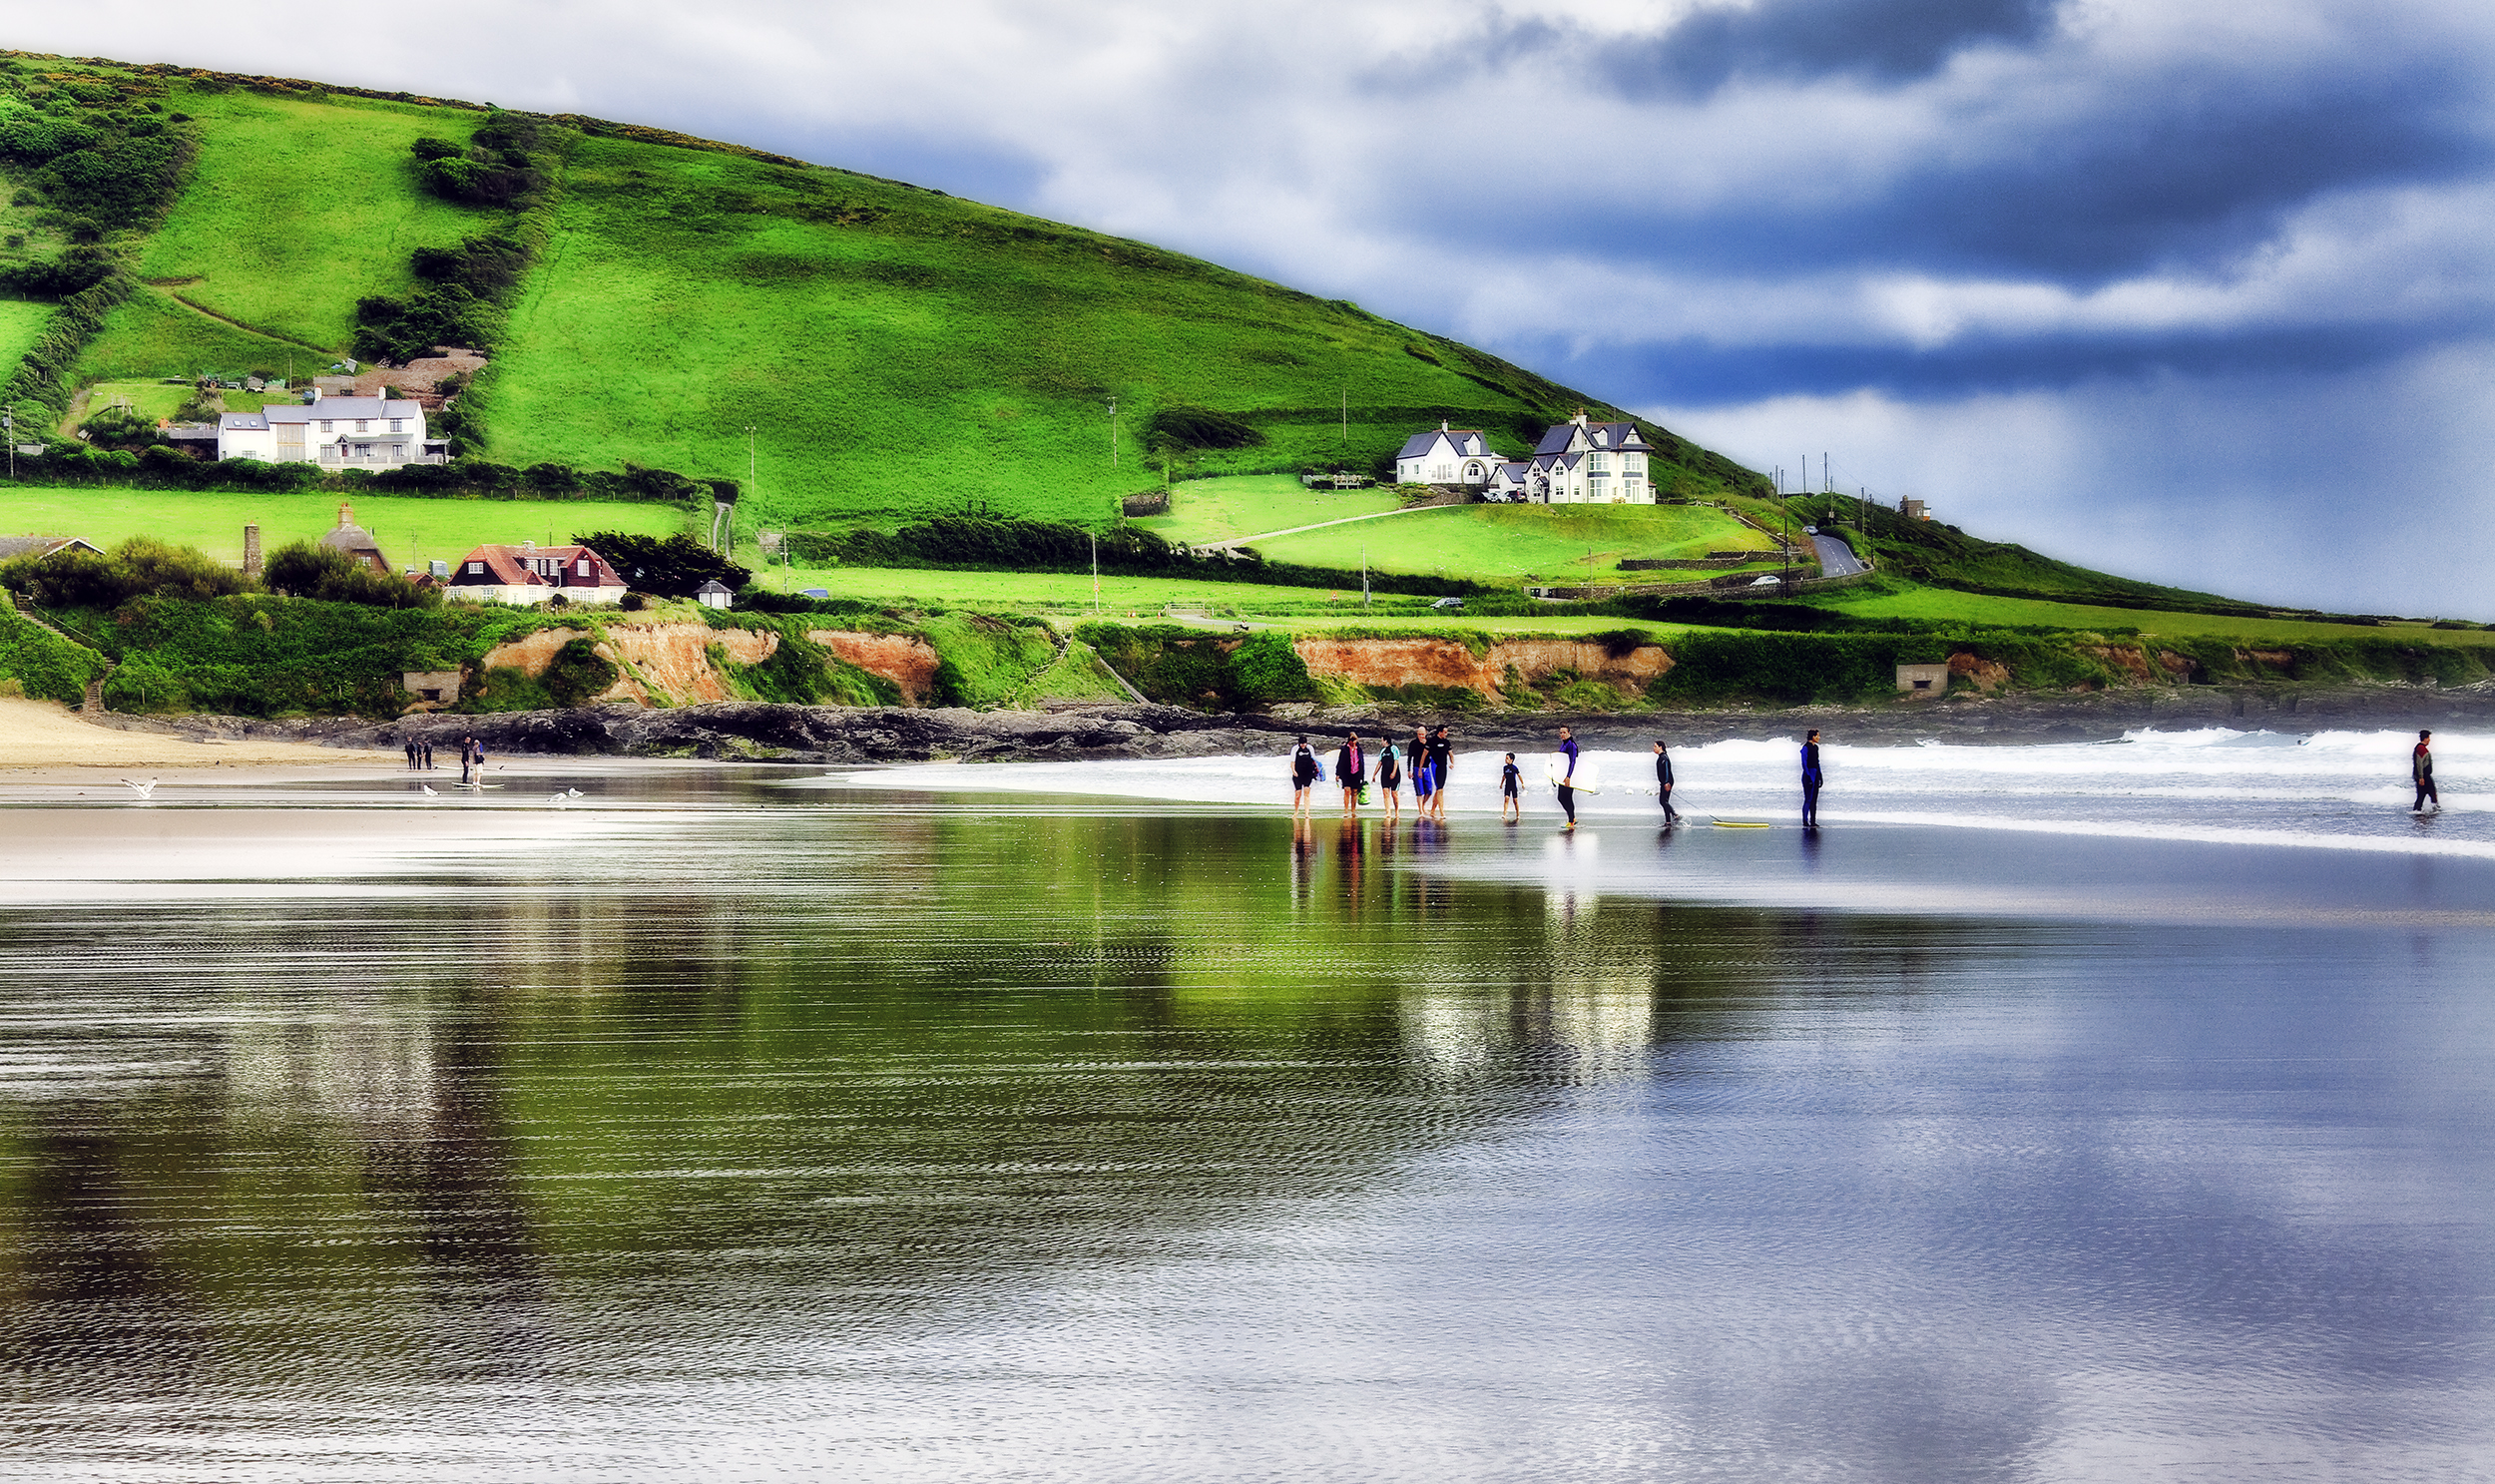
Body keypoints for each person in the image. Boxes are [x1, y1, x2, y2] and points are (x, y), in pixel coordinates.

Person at [1554, 725, 1581, 829]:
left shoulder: (1572, 745)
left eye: (1564, 732)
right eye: (1560, 733)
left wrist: (1569, 776)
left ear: (1569, 733)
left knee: (1567, 798)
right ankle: (1572, 818)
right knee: (1561, 798)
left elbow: (1572, 762)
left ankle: (1571, 821)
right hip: (1562, 776)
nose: (1562, 735)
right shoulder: (1564, 744)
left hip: (1569, 776)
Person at [1334, 731, 1366, 815]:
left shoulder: (1359, 749)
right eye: (1352, 740)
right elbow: (1340, 761)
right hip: (1346, 772)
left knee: (1354, 792)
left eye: (1355, 740)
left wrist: (1362, 775)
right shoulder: (1344, 749)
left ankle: (1353, 811)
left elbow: (1362, 762)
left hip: (1357, 772)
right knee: (1347, 791)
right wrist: (1337, 773)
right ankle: (1346, 811)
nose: (1354, 742)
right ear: (1349, 740)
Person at [1428, 726, 1454, 820]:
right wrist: (1420, 768)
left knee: (1440, 789)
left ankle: (1432, 810)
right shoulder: (1432, 741)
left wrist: (1452, 763)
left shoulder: (1446, 742)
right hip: (1435, 766)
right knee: (1439, 789)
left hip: (1443, 767)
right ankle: (1442, 812)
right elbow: (1425, 754)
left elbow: (1451, 754)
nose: (1446, 734)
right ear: (1440, 732)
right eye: (1445, 732)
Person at [1289, 736, 1320, 814]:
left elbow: (1314, 759)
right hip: (1298, 774)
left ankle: (1307, 813)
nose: (1303, 745)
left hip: (1308, 773)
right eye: (1301, 744)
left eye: (1304, 744)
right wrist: (1293, 771)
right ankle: (1296, 811)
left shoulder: (1310, 748)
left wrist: (1317, 770)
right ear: (1299, 743)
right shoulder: (1295, 748)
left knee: (1307, 793)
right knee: (1298, 794)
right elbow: (1292, 761)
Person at [1409, 725, 1435, 813]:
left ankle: (1423, 806)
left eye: (1422, 734)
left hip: (1426, 768)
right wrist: (1409, 770)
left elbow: (1433, 754)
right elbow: (1410, 757)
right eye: (1419, 734)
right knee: (1419, 791)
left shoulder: (1429, 742)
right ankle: (1421, 811)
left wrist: (1426, 745)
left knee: (1429, 790)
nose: (1421, 736)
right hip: (1416, 768)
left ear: (1426, 733)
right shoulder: (1413, 743)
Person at [1800, 729, 1823, 827]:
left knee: (1814, 800)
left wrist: (1820, 776)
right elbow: (1804, 763)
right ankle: (1805, 821)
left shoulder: (1816, 748)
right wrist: (1809, 776)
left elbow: (1817, 762)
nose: (1819, 737)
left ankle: (1813, 821)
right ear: (1813, 737)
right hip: (1808, 775)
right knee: (1808, 799)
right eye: (1818, 736)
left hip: (1815, 774)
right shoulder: (1806, 747)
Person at [1376, 738, 1404, 821]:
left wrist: (1394, 772)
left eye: (1382, 740)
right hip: (1384, 774)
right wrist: (1374, 774)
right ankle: (1388, 812)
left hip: (1395, 774)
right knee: (1385, 793)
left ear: (1386, 741)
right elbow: (1380, 763)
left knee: (1394, 794)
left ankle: (1396, 811)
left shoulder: (1394, 748)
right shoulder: (1383, 751)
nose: (1381, 742)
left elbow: (1396, 761)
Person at [1654, 740, 1681, 823]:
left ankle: (1675, 815)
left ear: (1660, 747)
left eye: (1655, 746)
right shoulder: (1661, 757)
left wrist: (1666, 782)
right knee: (1664, 802)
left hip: (1667, 782)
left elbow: (1666, 770)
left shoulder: (1664, 757)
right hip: (1665, 782)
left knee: (1663, 801)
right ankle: (1668, 822)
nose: (1653, 748)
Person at [2413, 729, 2440, 813]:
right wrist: (2421, 777)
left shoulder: (2420, 748)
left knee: (2421, 795)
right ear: (2425, 738)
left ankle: (2417, 811)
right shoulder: (2421, 749)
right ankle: (2436, 810)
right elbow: (2419, 763)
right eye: (2428, 738)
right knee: (2432, 793)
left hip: (2423, 776)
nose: (2429, 740)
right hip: (2424, 776)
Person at [1500, 752, 1522, 821]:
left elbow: (1519, 775)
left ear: (1511, 760)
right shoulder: (1505, 768)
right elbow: (1504, 776)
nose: (1505, 760)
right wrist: (1501, 784)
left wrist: (1522, 783)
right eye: (1505, 758)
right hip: (1507, 786)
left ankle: (1518, 815)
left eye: (1507, 758)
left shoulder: (1514, 768)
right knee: (1506, 799)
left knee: (1515, 801)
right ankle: (1504, 814)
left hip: (1513, 786)